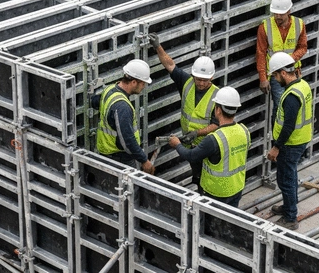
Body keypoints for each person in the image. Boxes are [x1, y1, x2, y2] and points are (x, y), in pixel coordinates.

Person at [149, 32, 219, 190]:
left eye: (204, 80)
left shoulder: (217, 96)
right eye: (198, 78)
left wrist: (197, 133)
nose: (200, 83)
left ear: (212, 77)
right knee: (198, 176)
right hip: (190, 146)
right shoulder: (187, 82)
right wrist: (157, 46)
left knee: (206, 180)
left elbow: (217, 124)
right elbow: (170, 65)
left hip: (206, 146)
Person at [168, 87, 251, 207]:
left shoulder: (214, 139)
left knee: (211, 224)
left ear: (217, 110)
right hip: (236, 188)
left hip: (215, 193)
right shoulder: (244, 130)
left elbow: (191, 156)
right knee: (229, 222)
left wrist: (177, 144)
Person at [266, 52, 313, 230]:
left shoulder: (291, 96)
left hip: (291, 143)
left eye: (275, 75)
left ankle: (290, 218)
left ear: (283, 73)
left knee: (285, 179)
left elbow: (288, 127)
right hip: (300, 140)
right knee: (290, 175)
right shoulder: (303, 85)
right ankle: (288, 207)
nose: (275, 79)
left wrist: (276, 147)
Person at [91, 59, 155, 174]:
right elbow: (127, 140)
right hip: (120, 159)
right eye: (143, 83)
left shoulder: (110, 89)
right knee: (128, 190)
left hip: (106, 153)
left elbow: (95, 103)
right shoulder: (122, 107)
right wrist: (144, 160)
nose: (144, 86)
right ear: (134, 82)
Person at [256, 0, 307, 125]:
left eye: (281, 13)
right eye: (275, 13)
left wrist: (289, 59)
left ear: (289, 11)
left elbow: (303, 47)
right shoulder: (265, 27)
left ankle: (291, 131)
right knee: (280, 106)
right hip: (276, 74)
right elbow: (261, 53)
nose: (277, 16)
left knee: (295, 102)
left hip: (293, 71)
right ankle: (278, 137)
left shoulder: (299, 24)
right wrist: (263, 78)